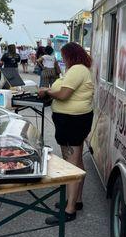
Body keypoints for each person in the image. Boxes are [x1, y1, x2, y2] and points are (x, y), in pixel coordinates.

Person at [38, 42, 94, 224]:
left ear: (71, 55)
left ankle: (69, 210)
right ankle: (75, 200)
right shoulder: (77, 70)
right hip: (72, 120)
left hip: (72, 122)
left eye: (63, 55)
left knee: (71, 164)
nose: (62, 59)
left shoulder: (78, 69)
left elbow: (63, 95)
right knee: (76, 162)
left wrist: (46, 90)